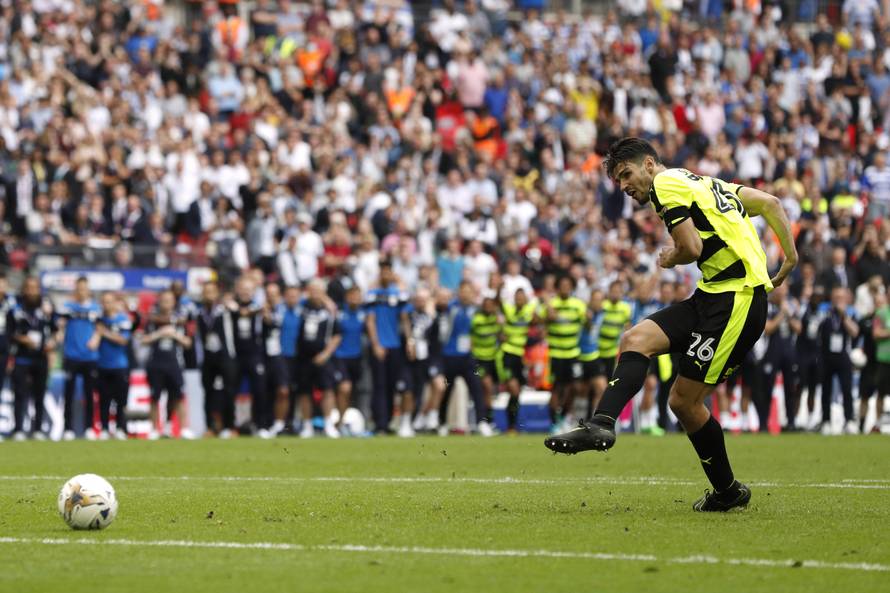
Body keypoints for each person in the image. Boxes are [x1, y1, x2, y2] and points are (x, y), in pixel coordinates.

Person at [547, 138, 797, 513]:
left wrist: (670, 258)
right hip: (712, 294)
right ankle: (601, 423)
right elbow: (771, 204)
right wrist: (789, 258)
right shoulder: (704, 182)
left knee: (683, 401)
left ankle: (727, 491)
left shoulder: (665, 185)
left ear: (650, 164)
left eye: (627, 174)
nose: (625, 186)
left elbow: (691, 247)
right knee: (637, 338)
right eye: (618, 181)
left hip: (737, 301)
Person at [439, 280, 496, 436]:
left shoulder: (476, 310)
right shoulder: (451, 308)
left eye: (468, 291)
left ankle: (481, 422)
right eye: (463, 291)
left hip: (468, 357)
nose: (466, 294)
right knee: (447, 390)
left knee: (477, 388)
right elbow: (443, 331)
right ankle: (442, 423)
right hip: (450, 355)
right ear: (459, 292)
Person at [365, 261, 411, 434]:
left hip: (395, 346)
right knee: (379, 385)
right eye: (382, 272)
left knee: (393, 385)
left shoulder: (397, 294)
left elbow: (405, 317)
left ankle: (390, 421)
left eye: (388, 272)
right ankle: (380, 424)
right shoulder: (373, 294)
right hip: (379, 346)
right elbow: (370, 321)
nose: (385, 276)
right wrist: (376, 344)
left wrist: (410, 340)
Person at [142, 290, 194, 440]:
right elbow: (142, 340)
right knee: (154, 396)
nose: (166, 302)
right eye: (163, 299)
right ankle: (153, 429)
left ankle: (182, 428)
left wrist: (174, 335)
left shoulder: (180, 320)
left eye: (169, 300)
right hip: (155, 362)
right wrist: (159, 334)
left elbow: (188, 343)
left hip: (175, 362)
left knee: (178, 396)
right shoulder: (152, 320)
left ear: (173, 302)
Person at [8, 278, 56, 441]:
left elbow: (56, 330)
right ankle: (18, 429)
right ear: (24, 289)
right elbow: (9, 333)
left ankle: (38, 429)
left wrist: (53, 342)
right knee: (20, 394)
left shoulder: (46, 308)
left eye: (35, 288)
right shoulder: (15, 308)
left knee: (39, 395)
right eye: (28, 288)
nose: (31, 291)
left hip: (41, 358)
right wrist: (23, 339)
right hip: (22, 357)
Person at [294, 280, 342, 438]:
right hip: (303, 357)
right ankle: (307, 425)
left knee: (328, 390)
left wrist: (326, 353)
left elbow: (337, 334)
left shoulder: (329, 310)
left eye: (318, 290)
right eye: (312, 289)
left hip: (323, 356)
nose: (314, 293)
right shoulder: (302, 307)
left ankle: (329, 424)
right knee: (304, 391)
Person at [541, 275, 587, 433]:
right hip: (556, 354)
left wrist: (589, 318)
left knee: (575, 386)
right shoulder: (552, 303)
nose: (565, 288)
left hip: (573, 353)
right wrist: (548, 311)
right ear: (557, 287)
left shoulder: (578, 305)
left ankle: (567, 418)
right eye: (562, 285)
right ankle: (554, 423)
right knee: (556, 388)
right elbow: (541, 320)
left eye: (568, 285)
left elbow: (587, 321)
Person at [58, 277, 101, 440]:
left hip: (90, 356)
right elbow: (59, 324)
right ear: (75, 290)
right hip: (72, 355)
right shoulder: (68, 307)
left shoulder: (96, 308)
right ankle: (68, 428)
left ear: (88, 290)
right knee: (68, 393)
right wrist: (60, 332)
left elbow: (101, 326)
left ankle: (89, 427)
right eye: (79, 288)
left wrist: (96, 337)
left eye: (84, 288)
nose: (82, 291)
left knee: (89, 394)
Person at [196, 280, 237, 438]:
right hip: (208, 356)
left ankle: (230, 426)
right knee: (208, 392)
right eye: (206, 292)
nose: (209, 295)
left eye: (212, 292)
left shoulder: (224, 310)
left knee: (229, 391)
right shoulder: (200, 313)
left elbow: (239, 310)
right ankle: (210, 427)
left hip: (226, 355)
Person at [758, 283, 801, 431]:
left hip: (789, 352)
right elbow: (768, 329)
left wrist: (788, 315)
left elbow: (798, 328)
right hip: (771, 352)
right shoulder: (768, 306)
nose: (781, 292)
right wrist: (782, 314)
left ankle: (791, 422)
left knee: (790, 388)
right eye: (779, 289)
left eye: (784, 289)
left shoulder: (792, 306)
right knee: (767, 388)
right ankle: (763, 423)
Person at [229, 276, 268, 435]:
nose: (245, 292)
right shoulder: (229, 307)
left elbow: (266, 316)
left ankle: (261, 425)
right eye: (242, 289)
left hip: (254, 354)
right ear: (237, 290)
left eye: (248, 289)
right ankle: (231, 426)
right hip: (235, 355)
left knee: (259, 390)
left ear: (253, 291)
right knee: (231, 391)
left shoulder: (259, 308)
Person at [818, 286, 860, 435]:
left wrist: (844, 316)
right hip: (826, 356)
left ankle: (849, 420)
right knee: (826, 391)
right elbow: (815, 329)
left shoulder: (850, 313)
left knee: (847, 390)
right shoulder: (825, 312)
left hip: (843, 357)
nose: (838, 300)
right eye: (836, 297)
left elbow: (855, 332)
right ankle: (826, 421)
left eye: (841, 297)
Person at [499, 287, 537, 433]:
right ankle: (510, 425)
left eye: (522, 297)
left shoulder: (529, 311)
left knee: (516, 392)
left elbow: (538, 320)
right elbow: (498, 305)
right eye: (517, 297)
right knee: (514, 389)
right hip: (507, 354)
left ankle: (511, 426)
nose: (519, 300)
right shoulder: (508, 309)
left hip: (520, 356)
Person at [95, 292, 133, 440]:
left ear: (115, 303)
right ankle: (104, 428)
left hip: (120, 365)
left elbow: (123, 340)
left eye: (109, 302)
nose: (106, 305)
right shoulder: (98, 320)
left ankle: (120, 428)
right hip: (102, 364)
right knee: (104, 399)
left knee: (121, 400)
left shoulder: (123, 320)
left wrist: (105, 333)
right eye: (104, 302)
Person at [332, 286, 364, 435]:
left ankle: (342, 422)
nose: (355, 299)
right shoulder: (339, 312)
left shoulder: (363, 313)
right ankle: (338, 423)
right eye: (352, 296)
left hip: (356, 357)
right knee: (344, 388)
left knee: (350, 392)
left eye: (358, 296)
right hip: (340, 357)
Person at [261, 282, 289, 438]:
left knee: (283, 390)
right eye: (268, 294)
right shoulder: (260, 310)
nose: (271, 297)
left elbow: (276, 321)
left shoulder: (284, 309)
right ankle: (266, 424)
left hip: (282, 355)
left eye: (274, 293)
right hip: (264, 355)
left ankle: (280, 423)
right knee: (265, 390)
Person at [470, 294, 501, 432]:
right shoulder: (477, 320)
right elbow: (470, 337)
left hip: (493, 358)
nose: (489, 307)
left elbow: (502, 335)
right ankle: (486, 420)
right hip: (479, 359)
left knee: (490, 390)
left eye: (491, 305)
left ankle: (488, 419)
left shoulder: (496, 320)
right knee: (486, 387)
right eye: (486, 305)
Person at [578, 288, 606, 419]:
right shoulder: (584, 314)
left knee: (601, 388)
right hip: (579, 356)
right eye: (595, 299)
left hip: (594, 355)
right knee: (581, 391)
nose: (597, 303)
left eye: (600, 300)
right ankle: (576, 420)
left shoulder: (602, 314)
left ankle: (595, 421)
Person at [279, 285, 303, 435]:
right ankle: (280, 423)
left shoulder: (303, 312)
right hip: (281, 356)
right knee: (283, 391)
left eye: (295, 296)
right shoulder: (279, 311)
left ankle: (292, 423)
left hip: (298, 357)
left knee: (296, 391)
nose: (292, 299)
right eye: (290, 296)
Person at [871, 291, 890, 431]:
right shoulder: (881, 313)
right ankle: (878, 424)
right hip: (884, 358)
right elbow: (876, 332)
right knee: (881, 392)